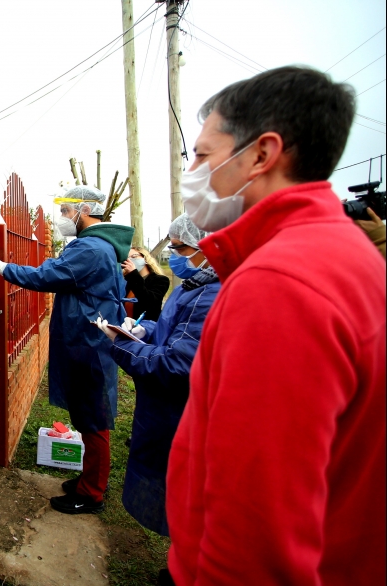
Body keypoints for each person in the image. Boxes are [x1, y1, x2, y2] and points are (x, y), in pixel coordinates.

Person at [167, 66, 386, 585]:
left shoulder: (280, 281)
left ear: (261, 155)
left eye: (202, 154)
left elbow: (255, 529)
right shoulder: (338, 253)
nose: (192, 172)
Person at [0, 185, 134, 514]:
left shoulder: (92, 248)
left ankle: (92, 493)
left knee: (94, 421)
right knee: (88, 417)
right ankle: (90, 479)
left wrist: (1, 267)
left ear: (83, 210)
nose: (63, 218)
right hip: (90, 340)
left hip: (89, 344)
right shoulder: (99, 246)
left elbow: (46, 276)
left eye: (67, 211)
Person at [97, 215, 219, 585]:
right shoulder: (196, 284)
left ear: (208, 247)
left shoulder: (210, 291)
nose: (177, 255)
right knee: (181, 499)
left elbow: (179, 362)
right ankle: (181, 562)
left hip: (181, 412)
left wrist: (121, 345)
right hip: (167, 412)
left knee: (189, 498)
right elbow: (168, 326)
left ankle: (189, 570)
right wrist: (143, 328)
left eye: (182, 249)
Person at [121, 246, 170, 320]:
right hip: (125, 325)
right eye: (127, 259)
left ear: (145, 258)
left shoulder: (161, 280)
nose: (130, 260)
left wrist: (134, 274)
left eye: (134, 256)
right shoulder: (126, 280)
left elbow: (149, 301)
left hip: (146, 326)